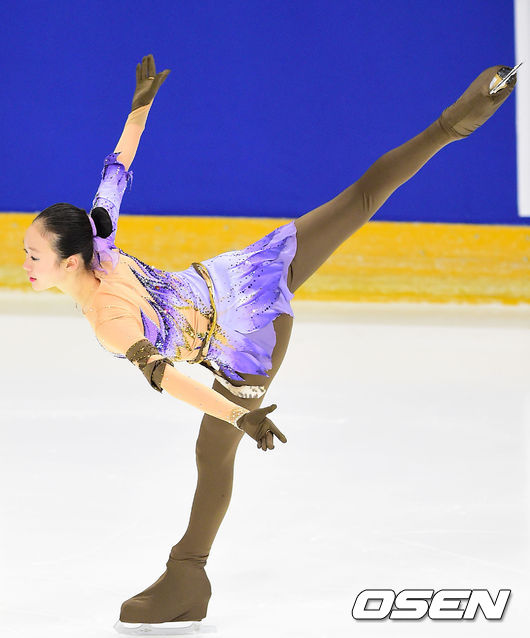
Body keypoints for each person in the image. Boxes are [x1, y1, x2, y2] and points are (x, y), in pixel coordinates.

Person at [22, 55, 518, 634]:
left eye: (34, 255)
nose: (25, 262)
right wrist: (140, 108)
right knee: (358, 199)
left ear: (70, 261)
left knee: (214, 452)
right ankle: (456, 122)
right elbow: (118, 169)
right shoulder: (98, 233)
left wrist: (239, 416)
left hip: (245, 339)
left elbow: (168, 377)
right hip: (243, 275)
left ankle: (188, 576)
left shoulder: (108, 317)